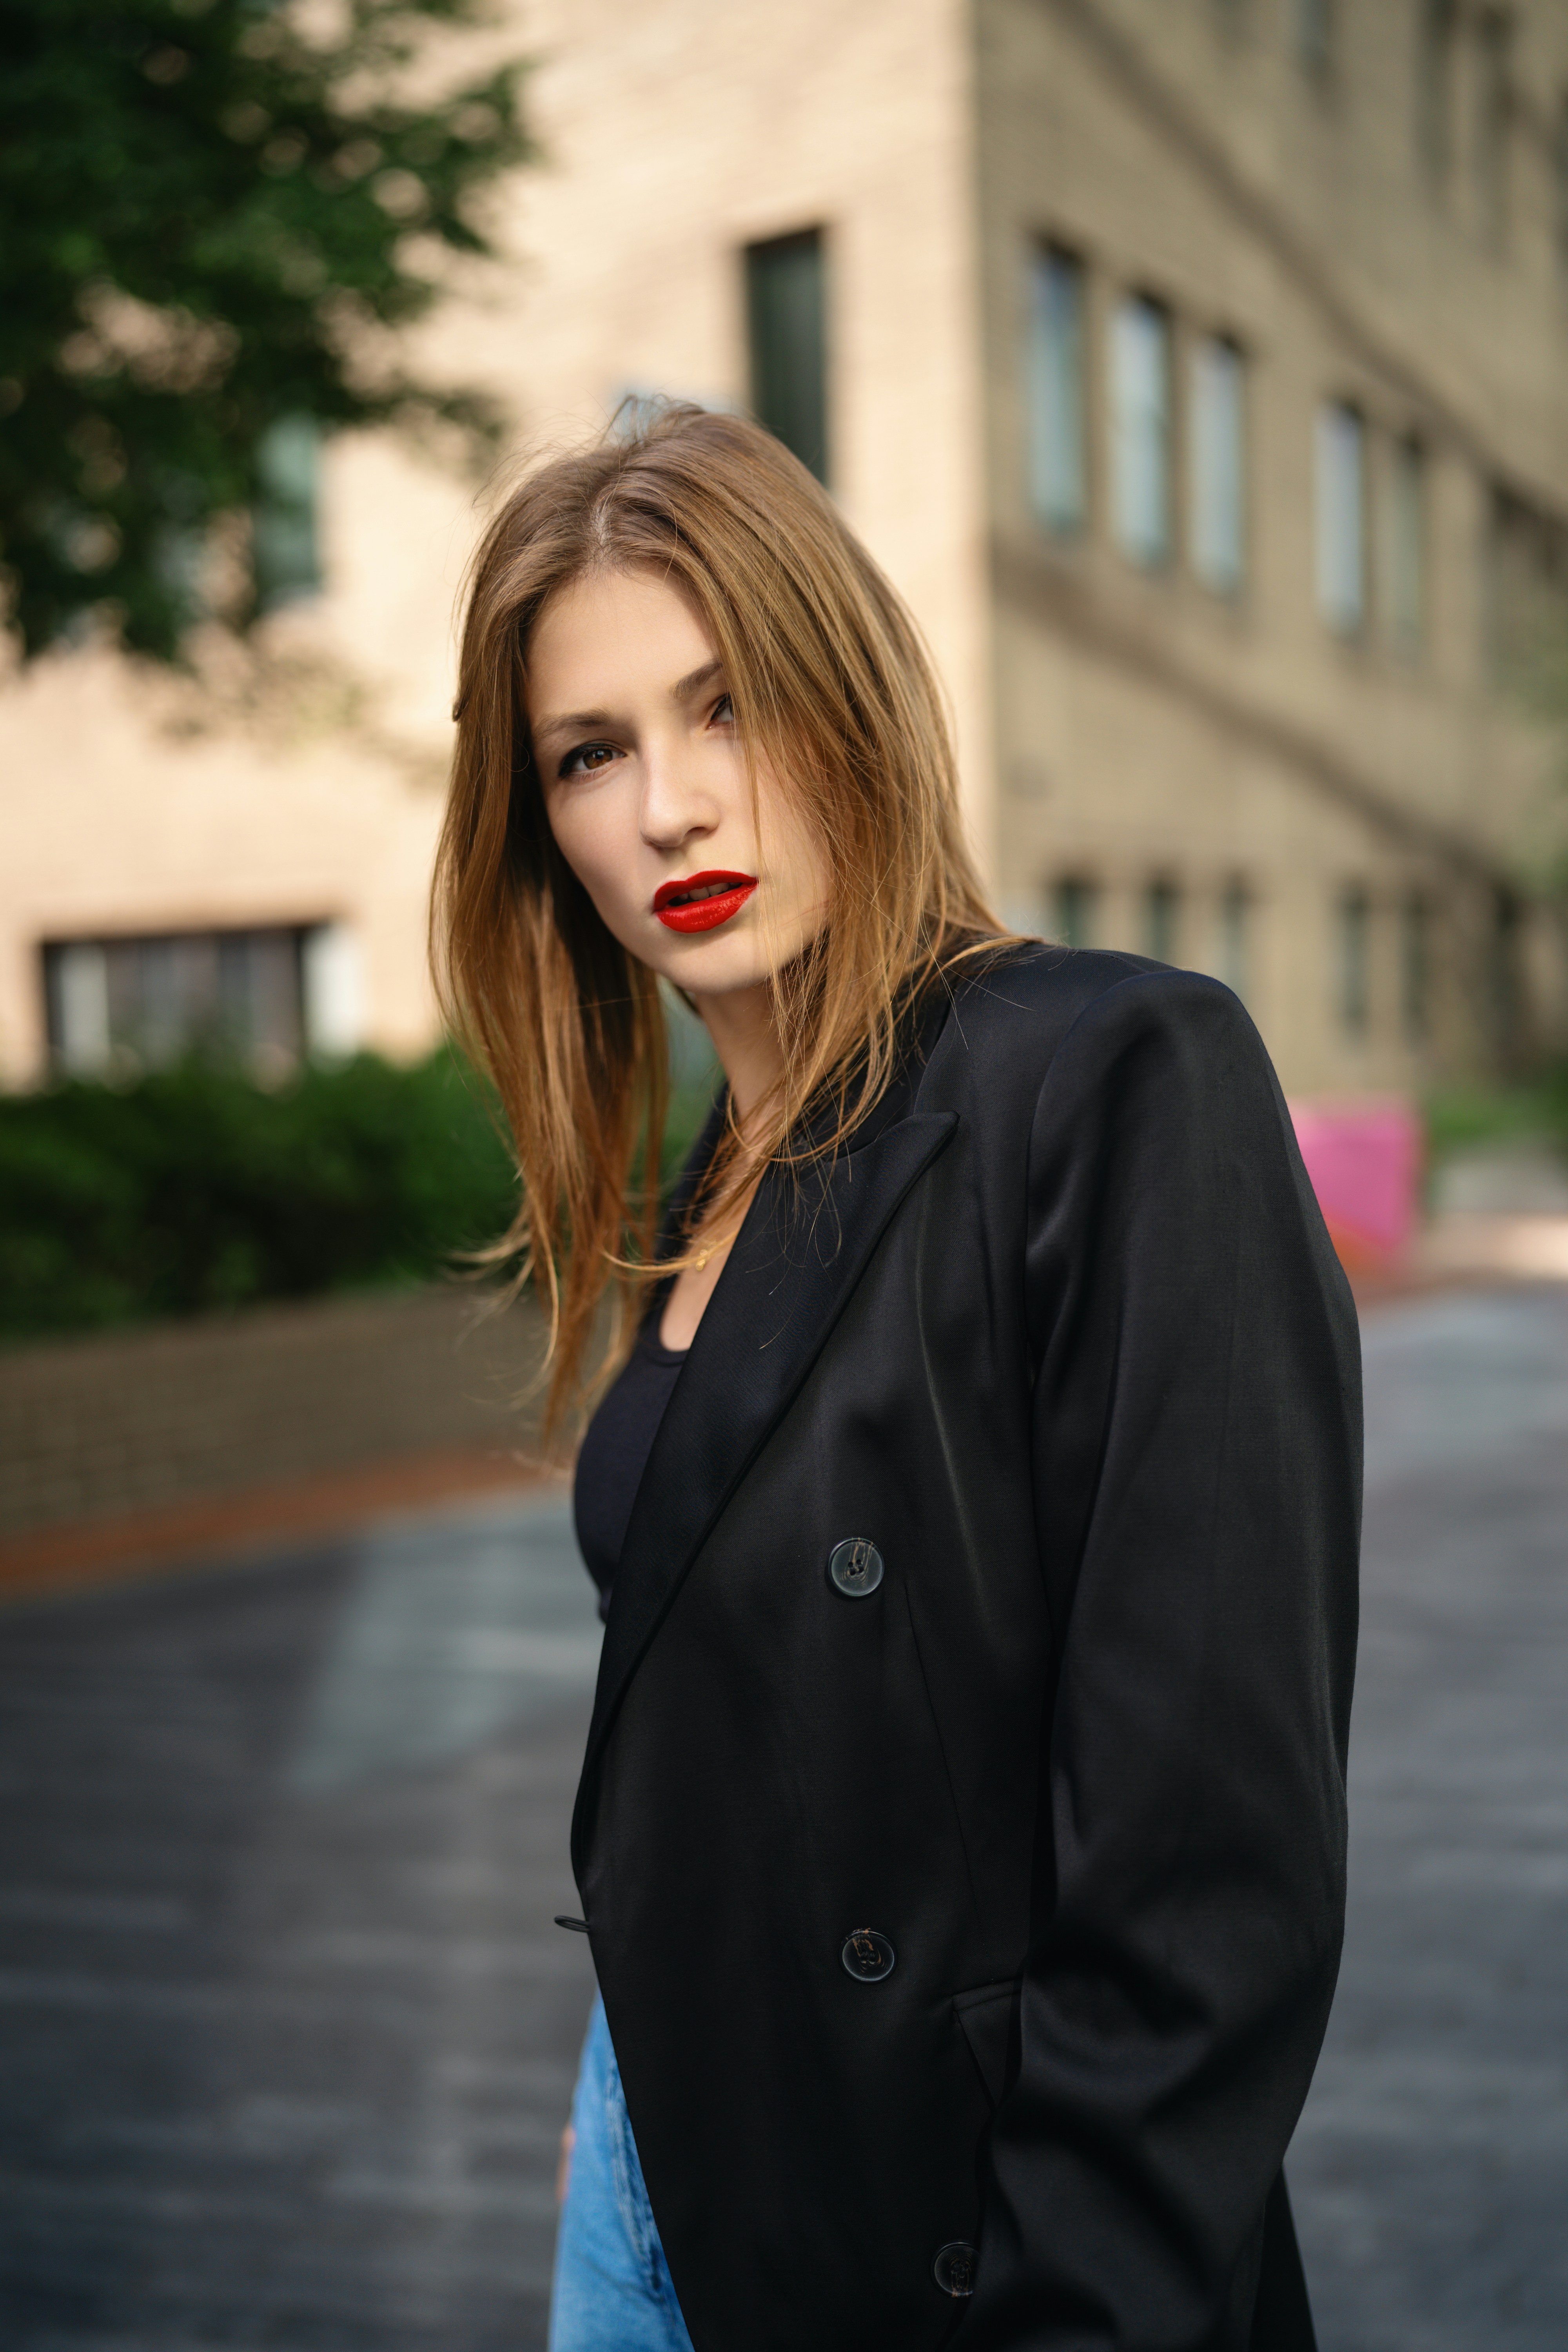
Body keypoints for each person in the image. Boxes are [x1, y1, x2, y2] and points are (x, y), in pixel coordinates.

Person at [430, 403, 1360, 2352]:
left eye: (729, 704)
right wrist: (623, 2116)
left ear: (848, 696)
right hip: (655, 2182)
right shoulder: (719, 1175)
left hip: (945, 2247)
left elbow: (1205, 1883)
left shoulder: (1109, 1077)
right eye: (590, 755)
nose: (670, 806)